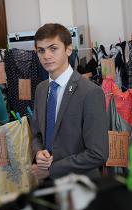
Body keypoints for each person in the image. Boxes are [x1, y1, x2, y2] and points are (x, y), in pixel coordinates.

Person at [31, 23, 109, 181]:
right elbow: (37, 135)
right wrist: (38, 152)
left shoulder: (90, 92)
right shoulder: (41, 89)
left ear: (68, 49)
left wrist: (52, 170)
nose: (46, 55)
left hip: (80, 185)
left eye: (53, 48)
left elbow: (98, 153)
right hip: (48, 185)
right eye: (41, 50)